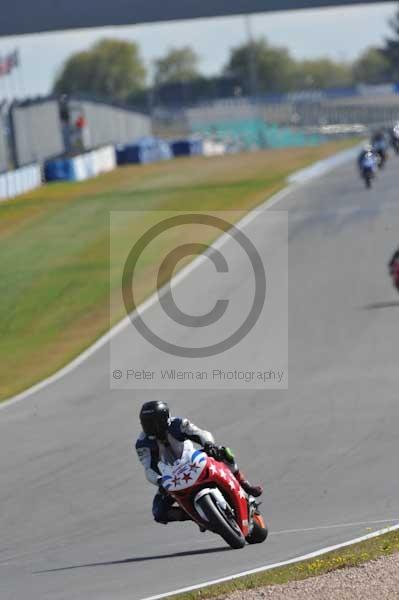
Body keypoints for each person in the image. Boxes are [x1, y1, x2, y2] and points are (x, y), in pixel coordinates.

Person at [135, 401, 263, 525]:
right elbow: (148, 468)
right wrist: (159, 480)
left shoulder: (178, 424)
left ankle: (245, 485)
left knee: (224, 452)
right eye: (146, 423)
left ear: (164, 418)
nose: (150, 427)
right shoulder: (142, 444)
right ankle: (198, 518)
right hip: (171, 477)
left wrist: (209, 444)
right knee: (158, 512)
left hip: (194, 460)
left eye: (153, 422)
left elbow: (199, 433)